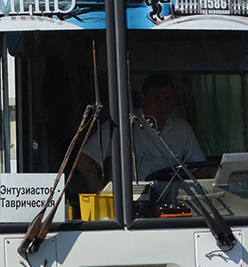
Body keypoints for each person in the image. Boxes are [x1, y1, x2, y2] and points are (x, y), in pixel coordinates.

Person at [75, 73, 203, 192]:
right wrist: (103, 194)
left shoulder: (182, 128)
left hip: (173, 205)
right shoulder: (121, 126)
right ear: (143, 98)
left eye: (167, 99)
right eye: (157, 98)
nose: (162, 105)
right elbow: (85, 159)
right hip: (132, 206)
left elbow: (197, 168)